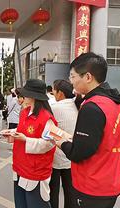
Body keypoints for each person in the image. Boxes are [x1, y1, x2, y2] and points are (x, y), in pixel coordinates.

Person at [56, 52, 120, 208]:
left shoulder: (92, 107)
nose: (71, 82)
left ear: (88, 77)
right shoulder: (114, 101)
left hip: (92, 186)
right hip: (111, 181)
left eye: (73, 76)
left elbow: (78, 153)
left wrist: (60, 142)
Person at [2, 79, 57, 208]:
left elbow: (49, 143)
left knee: (35, 204)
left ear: (34, 96)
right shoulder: (25, 112)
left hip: (35, 171)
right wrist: (12, 132)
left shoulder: (47, 118)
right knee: (21, 204)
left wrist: (26, 139)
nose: (22, 97)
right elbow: (22, 130)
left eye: (25, 95)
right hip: (21, 165)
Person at [49, 80, 78, 208]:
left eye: (54, 91)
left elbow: (48, 130)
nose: (53, 94)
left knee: (53, 192)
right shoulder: (78, 106)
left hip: (55, 156)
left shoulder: (54, 108)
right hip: (72, 156)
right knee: (70, 192)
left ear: (60, 93)